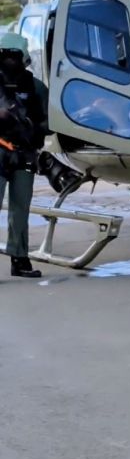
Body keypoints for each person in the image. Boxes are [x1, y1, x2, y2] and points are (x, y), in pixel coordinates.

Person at [0, 33, 48, 279]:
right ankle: (19, 258)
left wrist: (31, 128)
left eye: (13, 55)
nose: (9, 60)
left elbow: (50, 121)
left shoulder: (35, 87)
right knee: (19, 208)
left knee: (21, 207)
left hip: (24, 153)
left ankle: (19, 258)